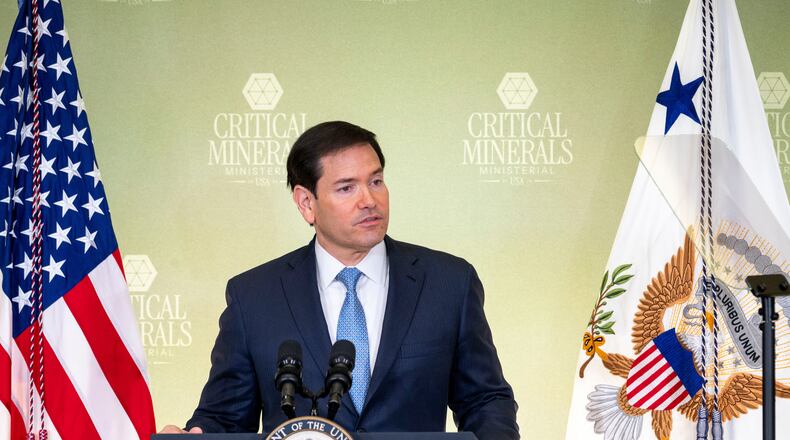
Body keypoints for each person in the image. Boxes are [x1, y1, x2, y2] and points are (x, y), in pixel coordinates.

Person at [161, 121, 519, 439]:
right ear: (306, 203)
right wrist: (196, 436)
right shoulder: (254, 297)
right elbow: (225, 417)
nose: (369, 200)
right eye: (347, 188)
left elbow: (484, 399)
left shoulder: (448, 283)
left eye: (376, 181)